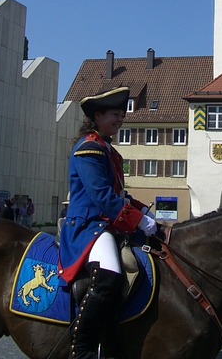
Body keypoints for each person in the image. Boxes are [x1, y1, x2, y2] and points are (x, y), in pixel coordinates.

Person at [58, 86, 157, 359]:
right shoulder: (90, 148)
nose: (120, 119)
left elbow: (119, 195)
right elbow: (102, 198)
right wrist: (137, 220)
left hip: (105, 224)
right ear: (98, 115)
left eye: (121, 114)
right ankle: (83, 348)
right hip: (89, 226)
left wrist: (144, 213)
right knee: (109, 276)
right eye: (115, 114)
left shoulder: (108, 150)